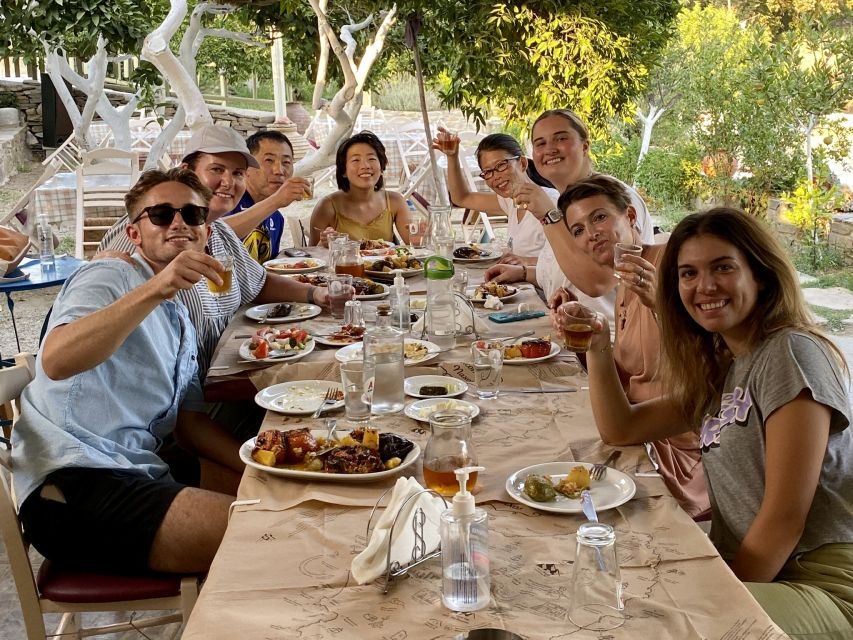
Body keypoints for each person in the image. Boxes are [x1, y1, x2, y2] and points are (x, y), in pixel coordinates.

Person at [578, 207, 852, 638]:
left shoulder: (791, 353)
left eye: (722, 267)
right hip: (766, 571)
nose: (704, 286)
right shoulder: (721, 368)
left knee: (654, 624)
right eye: (687, 273)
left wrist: (724, 594)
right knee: (605, 589)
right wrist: (596, 346)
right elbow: (623, 430)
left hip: (823, 581)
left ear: (760, 274)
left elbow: (784, 519)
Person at [12, 168, 244, 574]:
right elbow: (57, 359)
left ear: (205, 230)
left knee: (289, 498)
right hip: (73, 484)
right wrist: (157, 287)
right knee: (275, 532)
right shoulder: (109, 275)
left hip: (141, 470)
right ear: (134, 234)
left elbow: (189, 425)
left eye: (192, 215)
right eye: (161, 215)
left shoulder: (180, 323)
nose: (178, 223)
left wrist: (259, 464)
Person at [98, 125, 329, 378]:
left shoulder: (216, 230)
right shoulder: (151, 226)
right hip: (166, 393)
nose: (228, 182)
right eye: (217, 169)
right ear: (187, 173)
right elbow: (96, 314)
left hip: (218, 373)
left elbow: (259, 283)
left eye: (238, 173)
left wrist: (316, 294)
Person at [550, 175, 709, 518]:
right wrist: (587, 334)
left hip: (681, 446)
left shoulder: (670, 264)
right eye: (577, 230)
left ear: (631, 217)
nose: (590, 233)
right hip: (634, 428)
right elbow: (631, 371)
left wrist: (659, 304)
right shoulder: (624, 281)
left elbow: (714, 355)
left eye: (599, 217)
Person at [432, 131, 550, 263]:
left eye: (501, 165)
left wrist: (525, 262)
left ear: (522, 162)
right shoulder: (511, 200)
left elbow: (570, 261)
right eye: (488, 172)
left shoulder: (550, 203)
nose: (496, 176)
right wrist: (452, 157)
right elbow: (462, 198)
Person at [222, 130, 311, 263]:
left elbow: (269, 269)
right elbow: (213, 232)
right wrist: (275, 201)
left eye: (286, 162)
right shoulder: (227, 200)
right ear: (246, 166)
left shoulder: (276, 218)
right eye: (269, 160)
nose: (279, 171)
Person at [309, 131, 411, 246]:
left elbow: (416, 246)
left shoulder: (395, 201)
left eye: (371, 159)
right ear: (343, 171)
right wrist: (325, 244)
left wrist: (423, 234)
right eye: (355, 160)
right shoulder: (327, 207)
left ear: (382, 167)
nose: (365, 166)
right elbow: (312, 257)